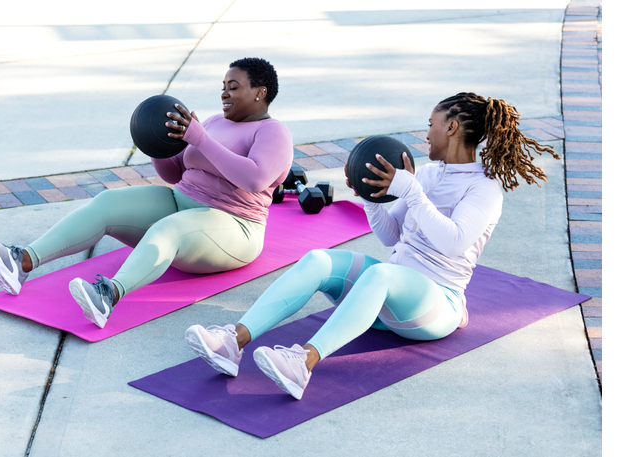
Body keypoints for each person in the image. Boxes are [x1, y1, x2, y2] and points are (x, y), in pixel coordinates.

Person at [185, 92, 560, 399]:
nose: (426, 133)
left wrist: (411, 191)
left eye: (431, 125)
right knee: (318, 259)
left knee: (383, 273)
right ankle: (233, 341)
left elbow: (453, 241)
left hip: (435, 304)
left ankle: (302, 364)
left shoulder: (485, 188)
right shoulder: (429, 174)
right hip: (386, 297)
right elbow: (391, 236)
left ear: (452, 127)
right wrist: (371, 199)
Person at [0, 57, 293, 328]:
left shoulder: (273, 132)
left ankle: (106, 296)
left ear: (260, 93)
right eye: (223, 85)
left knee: (169, 229)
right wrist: (158, 143)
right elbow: (174, 173)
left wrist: (200, 139)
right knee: (108, 202)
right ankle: (22, 262)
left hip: (234, 224)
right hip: (181, 202)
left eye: (233, 86)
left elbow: (255, 179)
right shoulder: (212, 122)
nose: (224, 92)